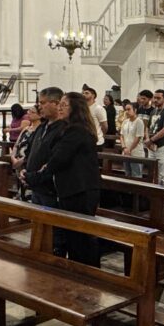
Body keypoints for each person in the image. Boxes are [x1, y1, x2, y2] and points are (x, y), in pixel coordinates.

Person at [26, 92, 101, 265]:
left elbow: (58, 160)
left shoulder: (77, 131)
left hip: (80, 191)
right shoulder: (70, 129)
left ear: (76, 108)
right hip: (73, 189)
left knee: (80, 238)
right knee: (74, 236)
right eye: (60, 104)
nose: (60, 107)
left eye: (64, 105)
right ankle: (78, 272)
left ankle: (88, 275)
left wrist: (34, 177)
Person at [23, 87, 66, 208]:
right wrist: (25, 169)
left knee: (50, 225)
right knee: (38, 224)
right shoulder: (42, 127)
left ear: (56, 104)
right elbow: (30, 151)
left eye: (42, 103)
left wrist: (34, 176)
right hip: (36, 186)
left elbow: (56, 159)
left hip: (51, 189)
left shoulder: (63, 129)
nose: (39, 106)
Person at [143, 89, 164, 188]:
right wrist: (148, 140)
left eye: (158, 98)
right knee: (153, 173)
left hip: (163, 146)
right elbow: (147, 127)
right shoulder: (153, 111)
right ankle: (155, 196)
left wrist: (151, 140)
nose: (155, 100)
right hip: (152, 147)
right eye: (154, 98)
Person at [119, 100, 146, 178]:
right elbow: (121, 136)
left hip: (136, 152)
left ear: (135, 110)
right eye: (125, 110)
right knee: (127, 174)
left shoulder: (139, 122)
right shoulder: (125, 122)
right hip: (125, 152)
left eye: (129, 109)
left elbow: (137, 138)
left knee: (136, 175)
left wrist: (129, 149)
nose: (127, 111)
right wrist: (124, 148)